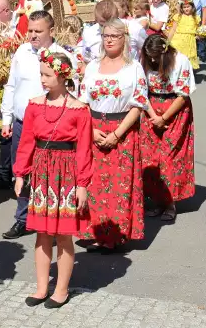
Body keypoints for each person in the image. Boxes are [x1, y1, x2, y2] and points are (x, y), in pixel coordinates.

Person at [14, 50, 91, 309]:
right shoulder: (35, 104)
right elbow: (26, 142)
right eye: (41, 75)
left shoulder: (80, 109)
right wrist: (20, 173)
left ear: (62, 76)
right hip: (41, 171)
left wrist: (82, 184)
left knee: (64, 234)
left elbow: (84, 149)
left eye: (47, 75)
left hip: (67, 172)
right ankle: (41, 286)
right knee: (42, 233)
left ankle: (61, 289)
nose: (43, 80)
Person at [0, 11, 78, 239]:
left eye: (38, 31)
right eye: (30, 30)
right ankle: (23, 219)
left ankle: (51, 223)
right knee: (21, 172)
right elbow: (11, 85)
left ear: (51, 31)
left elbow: (71, 92)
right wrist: (7, 117)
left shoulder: (61, 56)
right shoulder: (22, 52)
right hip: (22, 124)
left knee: (50, 175)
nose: (33, 35)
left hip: (50, 127)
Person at [78, 19, 148, 252]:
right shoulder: (92, 66)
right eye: (105, 35)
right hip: (94, 127)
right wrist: (91, 129)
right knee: (95, 184)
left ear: (124, 39)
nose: (108, 40)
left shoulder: (134, 68)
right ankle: (97, 232)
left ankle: (115, 235)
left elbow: (138, 105)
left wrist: (117, 134)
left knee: (119, 185)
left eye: (114, 36)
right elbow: (83, 102)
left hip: (123, 130)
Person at [140, 35, 195, 223]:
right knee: (150, 157)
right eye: (150, 57)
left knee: (169, 156)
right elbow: (141, 91)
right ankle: (157, 200)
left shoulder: (181, 61)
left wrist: (164, 117)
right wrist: (153, 116)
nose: (153, 61)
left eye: (155, 57)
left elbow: (183, 95)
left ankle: (170, 202)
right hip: (151, 109)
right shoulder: (146, 61)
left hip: (175, 110)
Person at [167, 0, 200, 69]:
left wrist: (199, 35)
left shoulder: (196, 18)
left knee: (188, 58)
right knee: (177, 58)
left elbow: (198, 30)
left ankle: (187, 74)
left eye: (188, 7)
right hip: (178, 40)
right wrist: (168, 41)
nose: (186, 9)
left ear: (192, 6)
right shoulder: (178, 17)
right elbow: (173, 29)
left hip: (189, 42)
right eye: (184, 7)